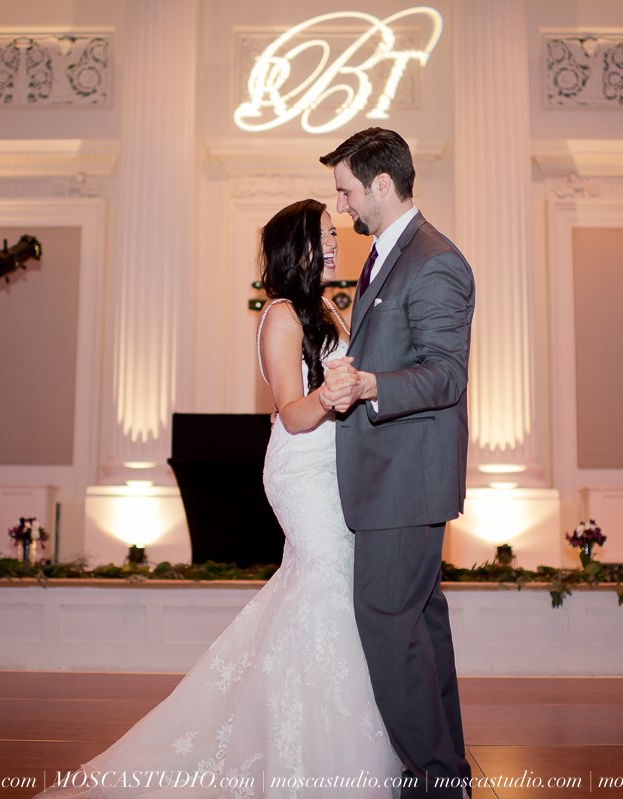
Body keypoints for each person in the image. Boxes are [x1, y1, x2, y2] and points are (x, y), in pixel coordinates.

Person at [34, 199, 400, 798]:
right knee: (326, 581)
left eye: (335, 234)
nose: (336, 243)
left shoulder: (327, 307)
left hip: (332, 467)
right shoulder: (281, 315)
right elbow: (292, 411)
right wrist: (338, 397)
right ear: (297, 246)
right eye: (325, 235)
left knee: (325, 585)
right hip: (301, 469)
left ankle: (305, 727)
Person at [318, 128, 475, 799]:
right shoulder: (389, 255)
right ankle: (447, 776)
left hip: (406, 481)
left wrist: (370, 385)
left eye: (347, 191)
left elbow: (446, 376)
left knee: (387, 624)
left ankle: (434, 779)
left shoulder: (435, 260)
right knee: (419, 627)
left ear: (383, 184)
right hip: (395, 478)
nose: (342, 207)